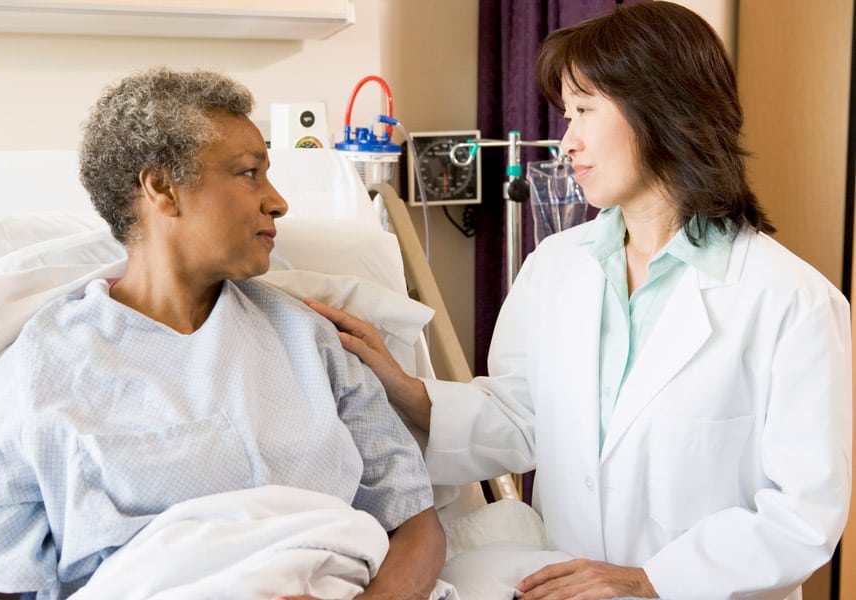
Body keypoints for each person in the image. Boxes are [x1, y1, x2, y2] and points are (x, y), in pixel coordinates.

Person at [309, 3, 852, 599]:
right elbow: (519, 419)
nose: (567, 140)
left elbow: (802, 516)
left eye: (586, 111)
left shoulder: (790, 301)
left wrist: (653, 580)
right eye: (568, 115)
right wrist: (404, 387)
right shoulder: (555, 268)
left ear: (664, 110)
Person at [0, 68, 445, 599]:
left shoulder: (309, 339)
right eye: (249, 172)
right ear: (162, 187)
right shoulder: (33, 375)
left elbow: (416, 524)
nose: (277, 201)